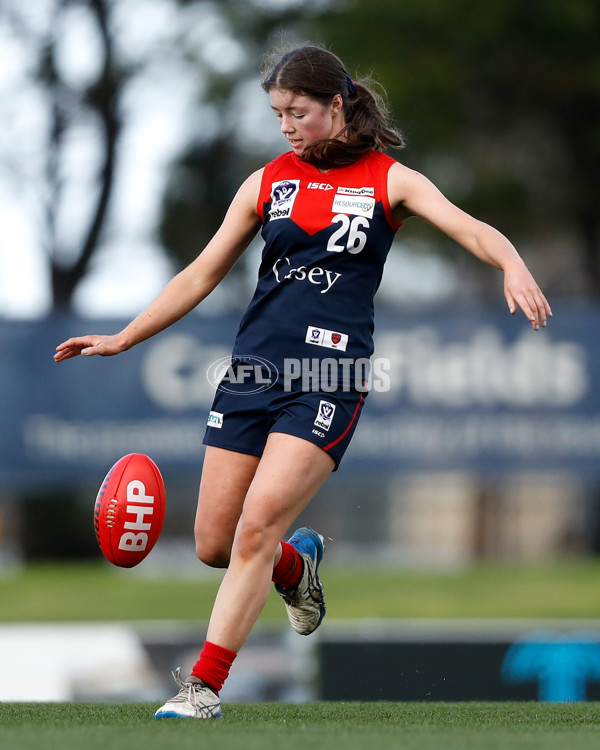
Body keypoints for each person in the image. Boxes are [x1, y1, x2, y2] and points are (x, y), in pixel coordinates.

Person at [54, 45, 551, 718]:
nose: (286, 126)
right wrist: (124, 336)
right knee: (216, 544)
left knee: (255, 528)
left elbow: (471, 229)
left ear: (337, 105)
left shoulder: (388, 181)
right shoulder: (267, 183)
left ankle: (201, 689)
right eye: (277, 114)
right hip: (252, 372)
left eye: (298, 112)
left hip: (328, 375)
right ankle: (298, 567)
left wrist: (511, 263)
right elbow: (200, 274)